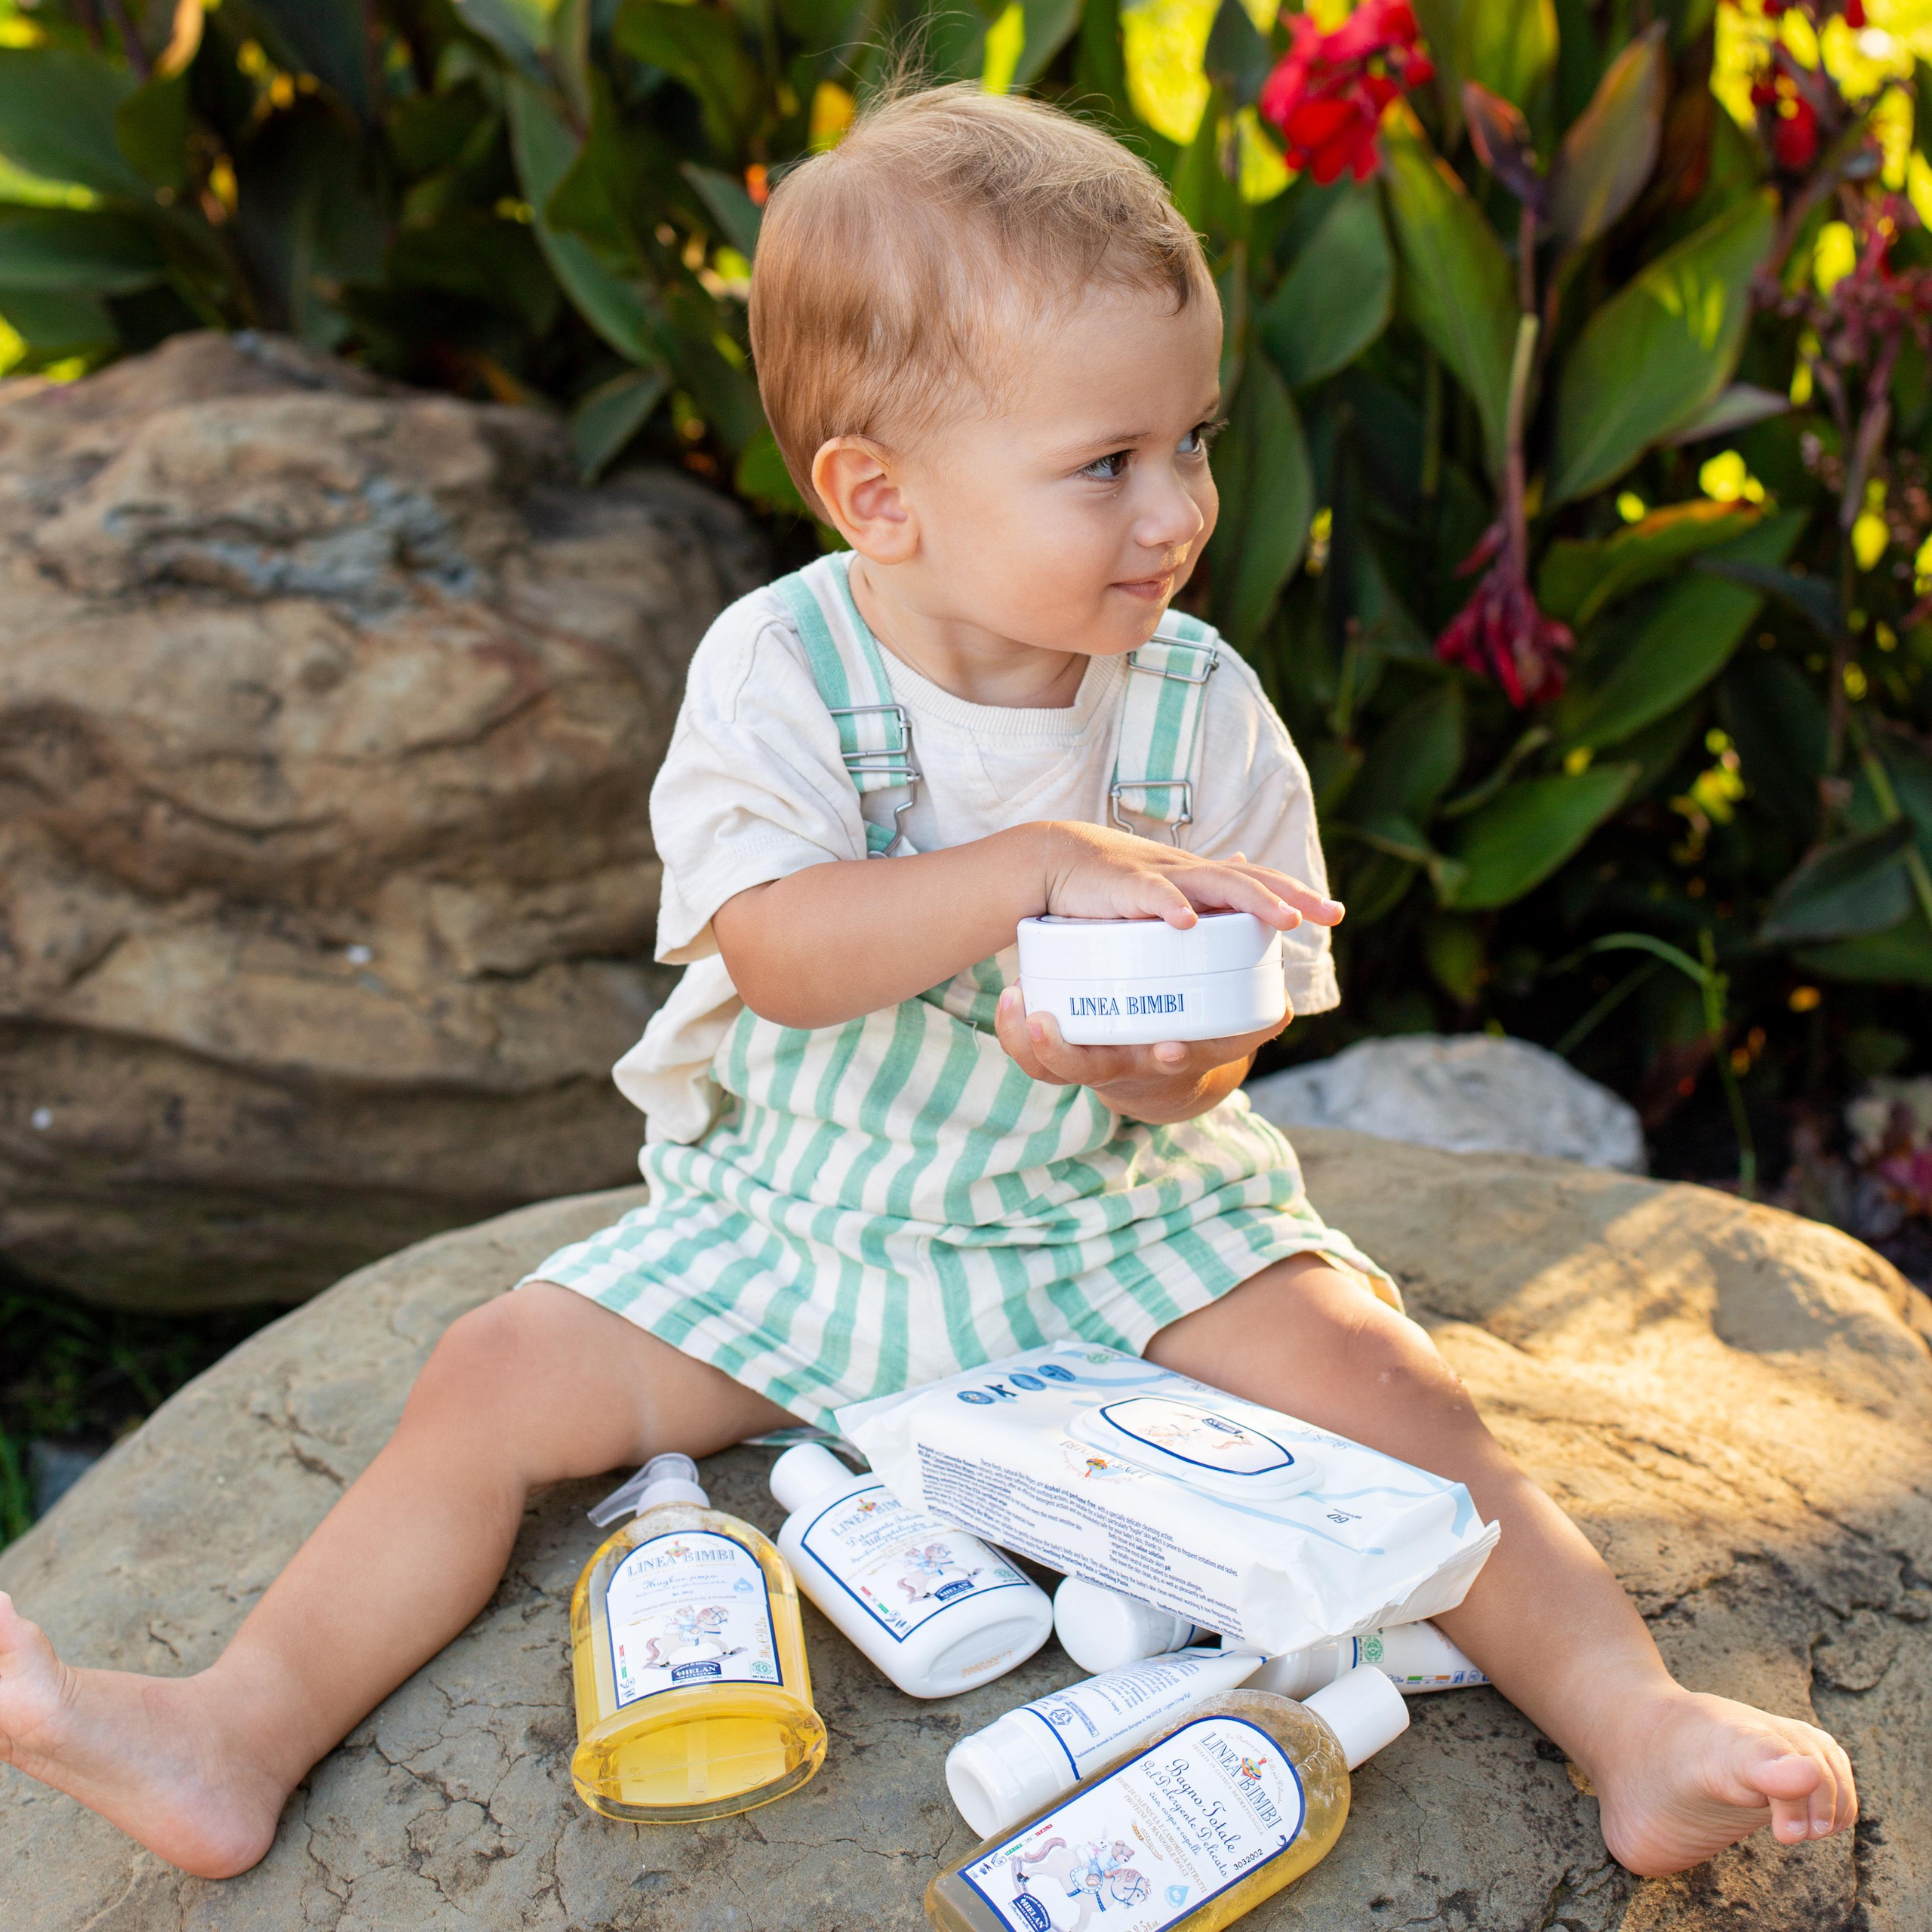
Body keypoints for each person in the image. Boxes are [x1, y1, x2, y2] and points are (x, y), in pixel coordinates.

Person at [0, 83, 1856, 1883]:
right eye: (1105, 463)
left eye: (1192, 438)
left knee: (1396, 1392)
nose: (1176, 507)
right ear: (877, 496)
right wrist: (1034, 869)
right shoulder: (783, 671)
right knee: (488, 1380)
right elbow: (784, 954)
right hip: (799, 1225)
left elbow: (1249, 997)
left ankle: (1632, 1723)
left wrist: (1172, 1068)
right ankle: (230, 1731)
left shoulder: (1191, 698)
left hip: (1111, 1218)